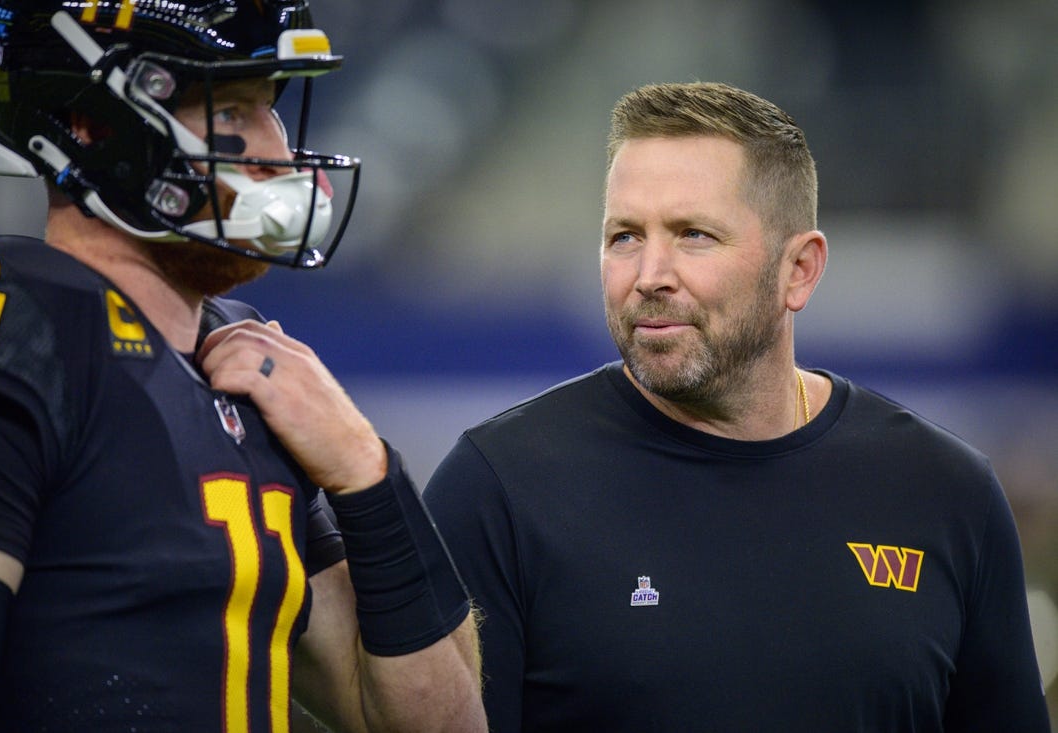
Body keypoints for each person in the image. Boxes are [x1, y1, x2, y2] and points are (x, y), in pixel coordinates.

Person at [422, 81, 1051, 732]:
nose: (649, 274)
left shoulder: (947, 493)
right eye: (625, 236)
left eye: (693, 234)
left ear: (799, 269)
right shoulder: (497, 487)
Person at [0, 2, 485, 731]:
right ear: (91, 127)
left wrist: (369, 472)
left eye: (270, 107)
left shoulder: (244, 365)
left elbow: (439, 723)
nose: (273, 148)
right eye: (233, 109)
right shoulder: (6, 329)